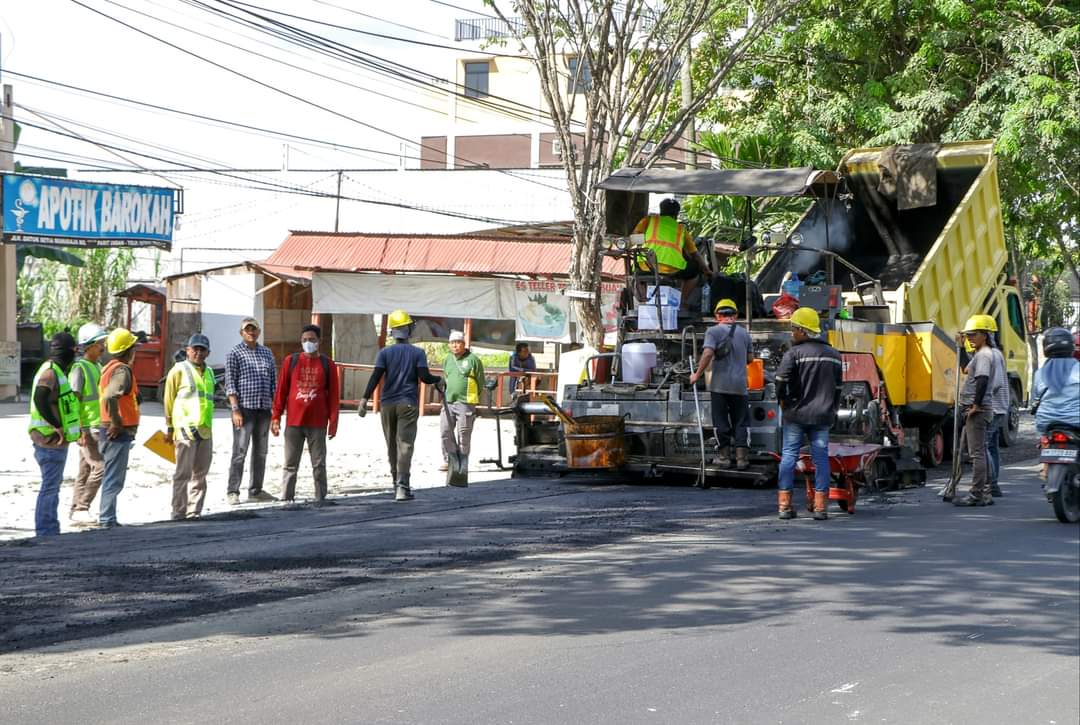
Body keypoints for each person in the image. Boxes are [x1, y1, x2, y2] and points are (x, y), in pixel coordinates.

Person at [359, 310, 442, 502]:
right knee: (405, 445)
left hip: (387, 404)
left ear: (392, 332)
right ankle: (402, 488)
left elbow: (376, 377)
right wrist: (439, 379)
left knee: (391, 445)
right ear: (409, 329)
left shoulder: (384, 353)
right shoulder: (418, 353)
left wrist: (364, 399)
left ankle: (395, 482)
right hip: (408, 404)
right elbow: (424, 377)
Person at [774, 307, 842, 520]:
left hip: (796, 414)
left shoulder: (793, 353)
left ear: (803, 330)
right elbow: (838, 388)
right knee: (821, 458)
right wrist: (832, 410)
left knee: (789, 456)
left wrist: (782, 402)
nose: (792, 333)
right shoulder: (834, 355)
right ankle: (821, 507)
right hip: (822, 416)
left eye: (794, 328)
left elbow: (780, 381)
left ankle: (784, 506)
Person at [271, 324, 340, 504]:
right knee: (290, 464)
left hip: (317, 422)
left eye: (312, 340)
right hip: (294, 421)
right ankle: (286, 497)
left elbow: (333, 395)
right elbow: (281, 391)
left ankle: (320, 497)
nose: (308, 343)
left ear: (319, 341)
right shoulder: (290, 361)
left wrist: (333, 421)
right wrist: (276, 416)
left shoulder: (328, 364)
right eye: (305, 340)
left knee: (318, 463)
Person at [27, 332, 82, 536]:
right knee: (50, 487)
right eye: (74, 349)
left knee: (52, 486)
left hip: (53, 440)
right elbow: (40, 398)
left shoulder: (56, 370)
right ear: (69, 350)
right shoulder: (50, 372)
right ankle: (46, 530)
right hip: (49, 440)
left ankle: (49, 527)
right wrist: (57, 425)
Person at [689, 298, 753, 470]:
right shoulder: (744, 333)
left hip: (719, 386)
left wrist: (697, 374)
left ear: (718, 315)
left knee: (721, 421)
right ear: (736, 315)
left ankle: (724, 458)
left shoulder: (713, 331)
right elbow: (750, 359)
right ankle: (742, 459)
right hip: (740, 386)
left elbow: (708, 353)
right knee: (741, 422)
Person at [224, 317, 277, 505]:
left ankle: (256, 490)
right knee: (240, 451)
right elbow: (230, 383)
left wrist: (276, 411)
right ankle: (233, 491)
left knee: (261, 452)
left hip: (264, 409)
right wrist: (235, 409)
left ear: (259, 332)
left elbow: (273, 382)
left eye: (254, 329)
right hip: (244, 410)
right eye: (247, 330)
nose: (251, 332)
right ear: (241, 333)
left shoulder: (267, 353)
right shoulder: (235, 353)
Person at [163, 334, 215, 521]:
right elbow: (168, 400)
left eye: (202, 350)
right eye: (195, 349)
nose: (198, 353)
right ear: (188, 350)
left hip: (205, 429)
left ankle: (194, 511)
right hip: (185, 430)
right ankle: (178, 511)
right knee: (182, 474)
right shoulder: (178, 370)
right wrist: (170, 427)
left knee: (200, 474)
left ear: (208, 353)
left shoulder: (209, 372)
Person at [98, 328, 141, 529]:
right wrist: (117, 422)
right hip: (116, 432)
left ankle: (109, 518)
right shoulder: (122, 370)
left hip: (109, 430)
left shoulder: (108, 368)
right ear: (129, 350)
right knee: (114, 479)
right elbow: (110, 396)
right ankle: (107, 520)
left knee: (111, 476)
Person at [632, 198, 711, 305]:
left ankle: (645, 302)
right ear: (677, 214)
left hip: (647, 266)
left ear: (661, 210)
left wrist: (643, 242)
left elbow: (634, 239)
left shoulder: (649, 220)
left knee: (635, 272)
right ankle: (681, 302)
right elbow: (695, 254)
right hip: (672, 269)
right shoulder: (681, 229)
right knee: (694, 272)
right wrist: (707, 271)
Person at [953, 314, 997, 507]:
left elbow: (982, 380)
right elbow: (965, 369)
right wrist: (961, 347)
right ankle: (985, 493)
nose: (970, 337)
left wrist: (976, 406)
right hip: (974, 408)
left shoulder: (985, 355)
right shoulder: (979, 354)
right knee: (978, 452)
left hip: (977, 410)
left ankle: (976, 495)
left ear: (985, 335)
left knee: (977, 454)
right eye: (968, 335)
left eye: (973, 334)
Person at [68, 322, 108, 526]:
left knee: (85, 470)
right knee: (100, 468)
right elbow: (73, 401)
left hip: (97, 426)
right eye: (101, 342)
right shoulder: (79, 368)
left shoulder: (98, 366)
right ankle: (83, 507)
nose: (104, 346)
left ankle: (76, 511)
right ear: (90, 345)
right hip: (86, 428)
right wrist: (78, 430)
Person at [440, 330, 485, 472]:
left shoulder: (473, 360)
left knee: (464, 434)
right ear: (449, 345)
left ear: (463, 344)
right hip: (448, 401)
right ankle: (449, 460)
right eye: (452, 343)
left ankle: (462, 462)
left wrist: (472, 398)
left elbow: (480, 381)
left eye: (458, 342)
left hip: (466, 402)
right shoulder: (447, 359)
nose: (455, 346)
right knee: (445, 432)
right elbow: (446, 376)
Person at [1032, 327, 1080, 434]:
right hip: (1076, 420)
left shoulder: (1039, 374)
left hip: (1045, 422)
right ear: (1071, 347)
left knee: (1043, 440)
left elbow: (1035, 400)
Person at [985, 326, 1009, 498]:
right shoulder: (994, 353)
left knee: (983, 446)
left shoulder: (992, 354)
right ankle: (994, 483)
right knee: (992, 446)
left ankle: (992, 484)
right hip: (997, 407)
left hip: (993, 407)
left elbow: (996, 383)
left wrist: (980, 400)